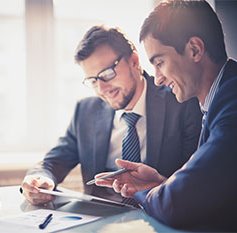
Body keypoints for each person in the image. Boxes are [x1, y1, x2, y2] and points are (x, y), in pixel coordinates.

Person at [20, 25, 202, 206]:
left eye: (107, 74)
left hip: (157, 215)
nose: (102, 88)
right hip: (98, 221)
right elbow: (53, 162)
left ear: (134, 61)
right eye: (93, 80)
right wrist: (38, 179)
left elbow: (194, 182)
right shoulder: (85, 111)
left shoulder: (181, 102)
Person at [94, 0, 237, 231]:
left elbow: (175, 205)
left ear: (195, 50)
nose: (158, 79)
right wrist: (162, 184)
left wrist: (148, 192)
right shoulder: (219, 100)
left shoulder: (232, 103)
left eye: (159, 62)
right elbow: (210, 190)